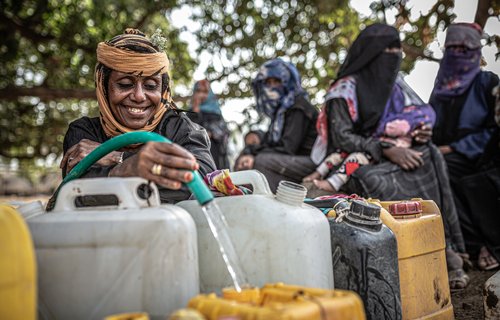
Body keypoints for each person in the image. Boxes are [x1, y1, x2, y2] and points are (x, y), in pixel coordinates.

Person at [309, 23, 469, 289]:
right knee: (369, 179)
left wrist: (419, 133)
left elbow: (414, 115)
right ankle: (403, 248)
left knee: (429, 155)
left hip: (393, 149)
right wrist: (385, 149)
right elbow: (342, 137)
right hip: (354, 158)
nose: (394, 55)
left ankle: (446, 244)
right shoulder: (343, 91)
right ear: (370, 54)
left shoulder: (395, 87)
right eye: (388, 50)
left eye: (398, 49)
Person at [59, 28, 216, 203]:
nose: (139, 96)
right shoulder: (83, 132)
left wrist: (117, 160)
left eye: (150, 86)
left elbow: (202, 179)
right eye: (125, 84)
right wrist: (133, 169)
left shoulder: (181, 128)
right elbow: (78, 194)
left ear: (163, 90)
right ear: (104, 88)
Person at [430, 23, 500, 271]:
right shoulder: (440, 91)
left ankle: (487, 245)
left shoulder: (487, 82)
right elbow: (431, 129)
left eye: (465, 48)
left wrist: (456, 148)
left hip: (484, 156)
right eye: (453, 48)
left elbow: (495, 129)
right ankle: (462, 247)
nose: (459, 53)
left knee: (445, 169)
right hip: (442, 157)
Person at [304, 74, 436, 193]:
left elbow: (393, 129)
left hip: (381, 151)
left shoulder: (413, 117)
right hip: (376, 144)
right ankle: (317, 173)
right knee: (338, 154)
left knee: (355, 158)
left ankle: (333, 183)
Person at [237, 58, 318, 191]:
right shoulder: (279, 113)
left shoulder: (298, 107)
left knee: (261, 161)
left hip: (309, 162)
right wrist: (248, 152)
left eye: (276, 81)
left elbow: (288, 147)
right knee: (243, 159)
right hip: (289, 160)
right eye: (268, 82)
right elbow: (269, 143)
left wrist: (254, 155)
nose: (271, 86)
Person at [188, 79, 230, 170]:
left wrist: (211, 133)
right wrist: (195, 109)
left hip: (215, 154)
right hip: (195, 156)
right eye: (198, 91)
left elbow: (224, 133)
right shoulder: (189, 113)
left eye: (205, 92)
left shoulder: (216, 113)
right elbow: (189, 131)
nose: (201, 95)